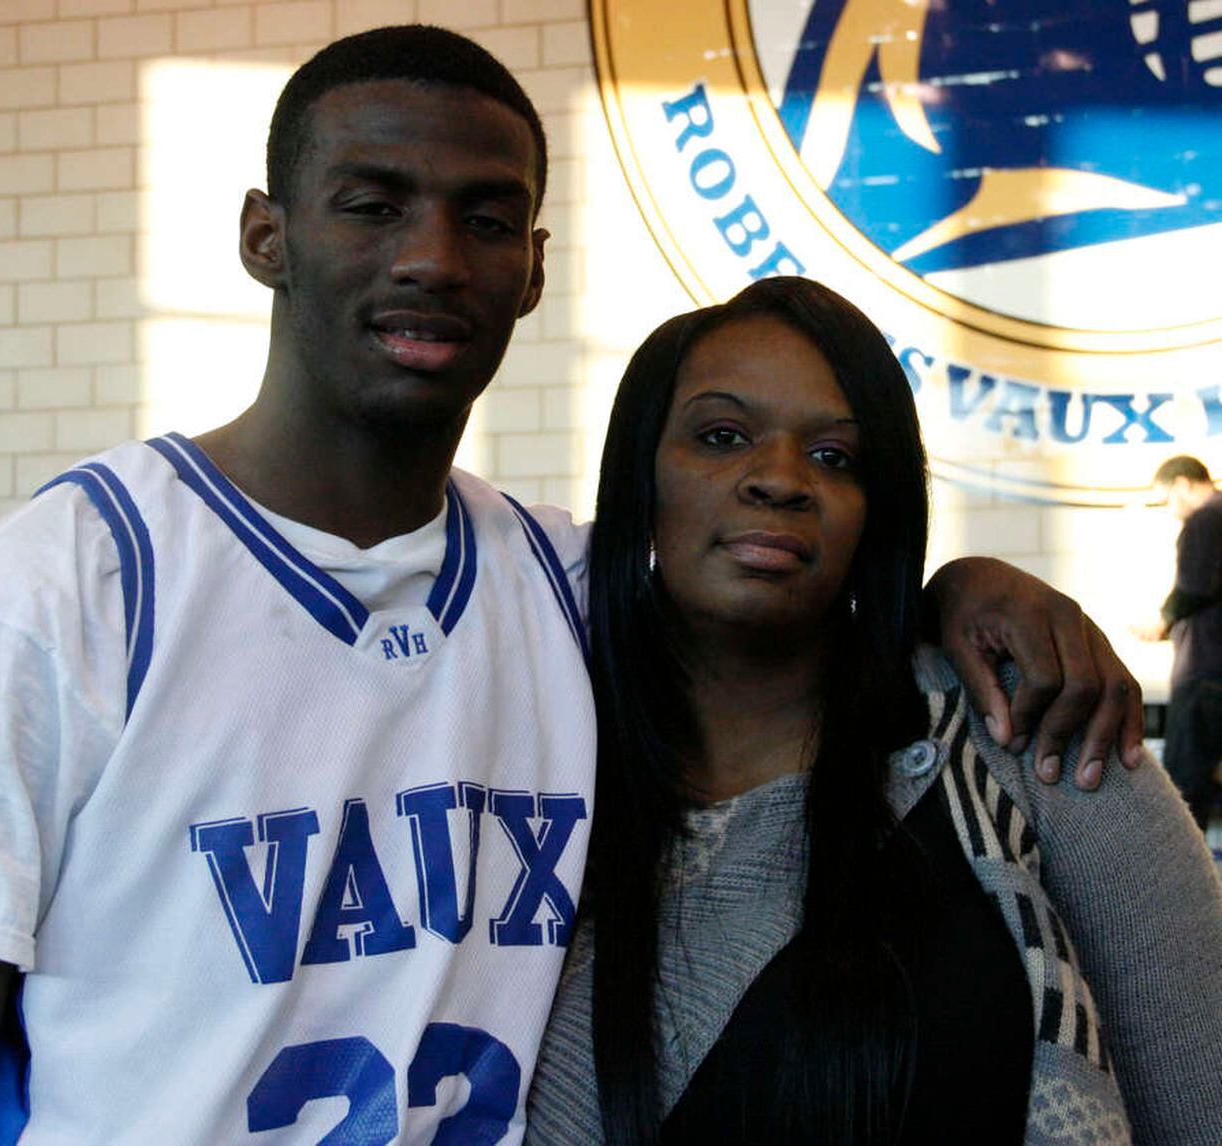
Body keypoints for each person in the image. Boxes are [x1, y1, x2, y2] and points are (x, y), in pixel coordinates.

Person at [0, 25, 1144, 1146]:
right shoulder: (52, 592)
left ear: (534, 269)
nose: (435, 259)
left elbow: (780, 597)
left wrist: (967, 586)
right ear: (265, 236)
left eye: (487, 219)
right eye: (372, 203)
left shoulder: (565, 589)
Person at [523, 278, 1222, 1145]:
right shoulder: (531, 767)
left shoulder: (1025, 732)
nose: (779, 479)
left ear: (876, 511)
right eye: (722, 436)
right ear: (639, 477)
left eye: (835, 457)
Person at [1133, 455, 1222, 830]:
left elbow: (1193, 587)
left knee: (1183, 787)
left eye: (1166, 499)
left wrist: (1161, 622)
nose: (1168, 510)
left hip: (1204, 671)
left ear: (1184, 484)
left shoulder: (1206, 519)